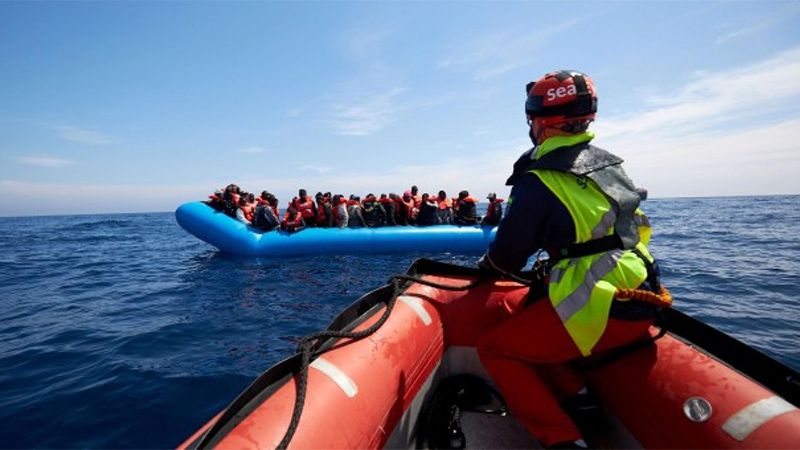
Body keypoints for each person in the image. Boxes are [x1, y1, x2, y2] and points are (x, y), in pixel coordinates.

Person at [475, 70, 661, 449]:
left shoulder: (539, 179)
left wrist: (487, 269)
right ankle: (580, 399)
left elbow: (507, 257)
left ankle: (562, 440)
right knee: (525, 316)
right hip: (642, 290)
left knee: (495, 349)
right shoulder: (610, 167)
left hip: (603, 307)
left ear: (539, 122)